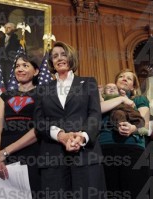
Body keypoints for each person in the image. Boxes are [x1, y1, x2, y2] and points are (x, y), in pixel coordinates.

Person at [34, 41, 106, 198]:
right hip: (52, 158)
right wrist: (60, 136)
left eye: (63, 54)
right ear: (51, 62)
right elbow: (39, 122)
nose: (59, 58)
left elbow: (94, 115)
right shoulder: (42, 89)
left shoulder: (88, 83)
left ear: (71, 57)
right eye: (54, 56)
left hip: (85, 154)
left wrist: (82, 136)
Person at [0, 54, 41, 197]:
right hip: (2, 156)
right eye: (17, 66)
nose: (20, 69)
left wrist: (5, 152)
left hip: (30, 151)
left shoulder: (43, 93)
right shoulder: (6, 95)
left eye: (25, 65)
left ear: (36, 71)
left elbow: (39, 129)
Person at [99, 69, 150, 199]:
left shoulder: (139, 99)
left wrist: (132, 128)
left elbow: (144, 123)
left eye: (129, 78)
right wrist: (120, 98)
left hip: (132, 147)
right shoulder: (103, 98)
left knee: (135, 190)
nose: (124, 78)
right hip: (105, 147)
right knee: (110, 191)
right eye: (121, 76)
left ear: (133, 86)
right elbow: (98, 110)